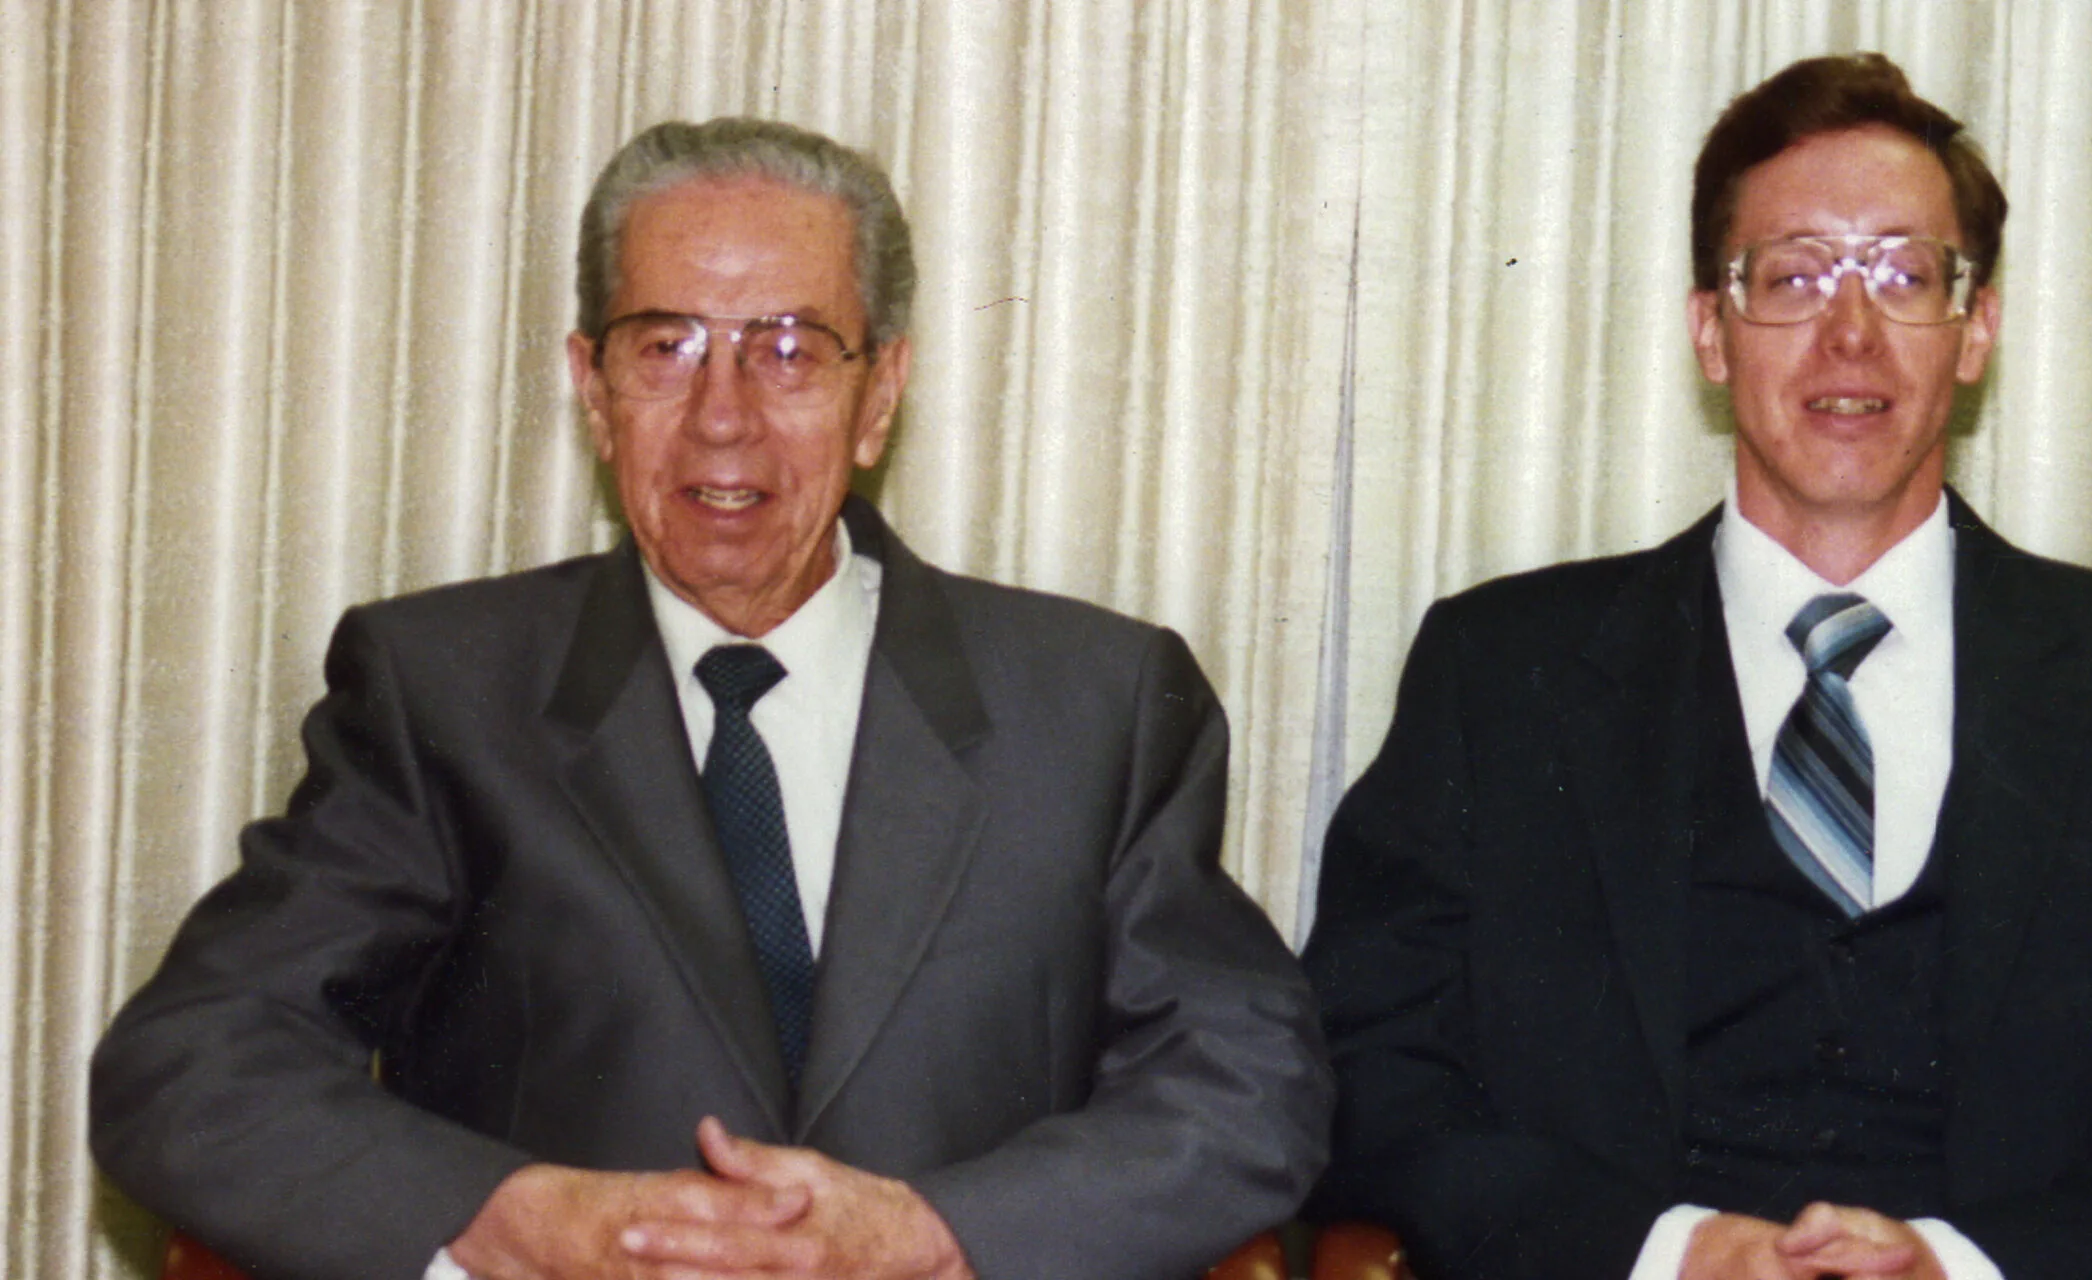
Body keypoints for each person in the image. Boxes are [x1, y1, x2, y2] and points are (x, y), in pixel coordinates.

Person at [90, 117, 1329, 1280]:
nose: (721, 418)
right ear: (591, 385)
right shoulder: (447, 689)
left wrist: (936, 1236)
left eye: (787, 349)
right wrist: (514, 1217)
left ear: (879, 393)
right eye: (664, 346)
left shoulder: (1095, 701)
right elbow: (191, 1063)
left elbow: (1244, 1081)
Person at [1303, 53, 2092, 1280]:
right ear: (1710, 333)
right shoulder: (1503, 671)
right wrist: (1669, 1253)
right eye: (1789, 276)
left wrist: (1964, 1264)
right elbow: (1362, 1069)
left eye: (1900, 273)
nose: (1848, 330)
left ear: (1973, 327)